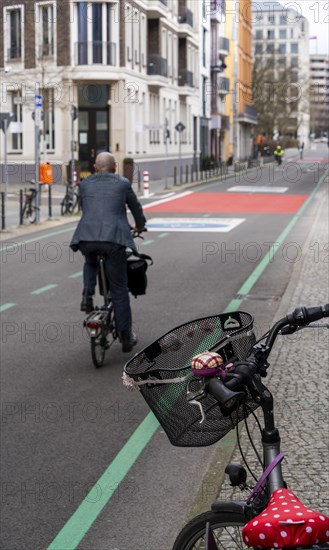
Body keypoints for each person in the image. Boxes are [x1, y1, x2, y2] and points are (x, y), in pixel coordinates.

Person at [70, 152, 146, 352]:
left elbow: (91, 208)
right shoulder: (122, 184)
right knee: (119, 289)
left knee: (90, 260)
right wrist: (139, 226)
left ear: (95, 167)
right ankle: (126, 336)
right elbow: (136, 208)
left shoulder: (84, 184)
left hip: (86, 237)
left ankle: (87, 293)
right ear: (114, 168)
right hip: (113, 240)